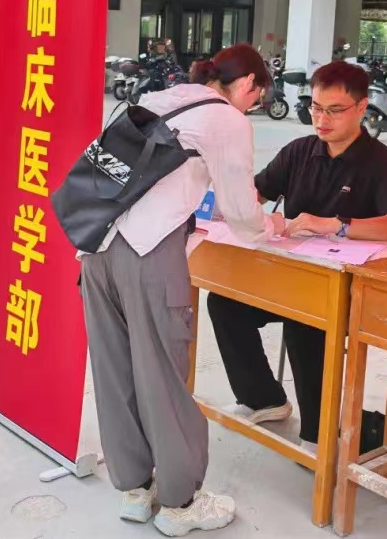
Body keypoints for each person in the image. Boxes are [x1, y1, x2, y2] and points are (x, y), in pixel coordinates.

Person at [80, 44, 286, 537]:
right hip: (150, 255)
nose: (252, 107)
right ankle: (179, 504)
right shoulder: (226, 119)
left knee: (115, 371)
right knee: (163, 378)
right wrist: (275, 226)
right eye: (255, 97)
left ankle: (135, 490)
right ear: (248, 84)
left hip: (95, 248)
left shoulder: (156, 98)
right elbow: (242, 212)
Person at [208, 60, 387, 452]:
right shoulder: (300, 151)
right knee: (225, 302)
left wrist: (337, 224)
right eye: (316, 108)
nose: (321, 120)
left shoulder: (383, 164)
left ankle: (318, 435)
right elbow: (257, 193)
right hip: (294, 275)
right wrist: (229, 203)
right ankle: (263, 399)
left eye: (335, 110)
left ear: (362, 107)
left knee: (306, 322)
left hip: (351, 289)